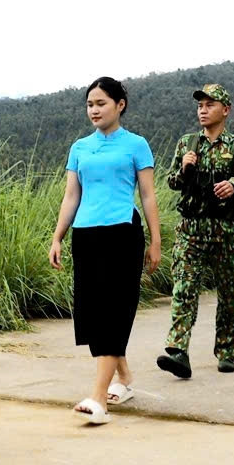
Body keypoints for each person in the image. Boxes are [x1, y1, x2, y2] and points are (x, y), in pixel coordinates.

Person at [50, 77, 162, 424]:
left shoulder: (136, 145)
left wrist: (156, 240)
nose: (94, 110)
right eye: (89, 104)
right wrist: (57, 236)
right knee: (93, 313)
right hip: (85, 235)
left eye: (101, 103)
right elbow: (72, 196)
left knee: (114, 311)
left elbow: (147, 195)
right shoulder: (80, 147)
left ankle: (99, 398)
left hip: (122, 234)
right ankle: (124, 377)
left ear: (120, 105)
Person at [156, 84, 234, 377]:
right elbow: (171, 182)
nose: (203, 109)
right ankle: (178, 351)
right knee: (184, 288)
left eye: (210, 104)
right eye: (200, 105)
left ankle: (226, 350)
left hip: (226, 227)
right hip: (191, 226)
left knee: (229, 292)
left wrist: (233, 184)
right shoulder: (187, 143)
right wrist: (184, 169)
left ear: (225, 110)